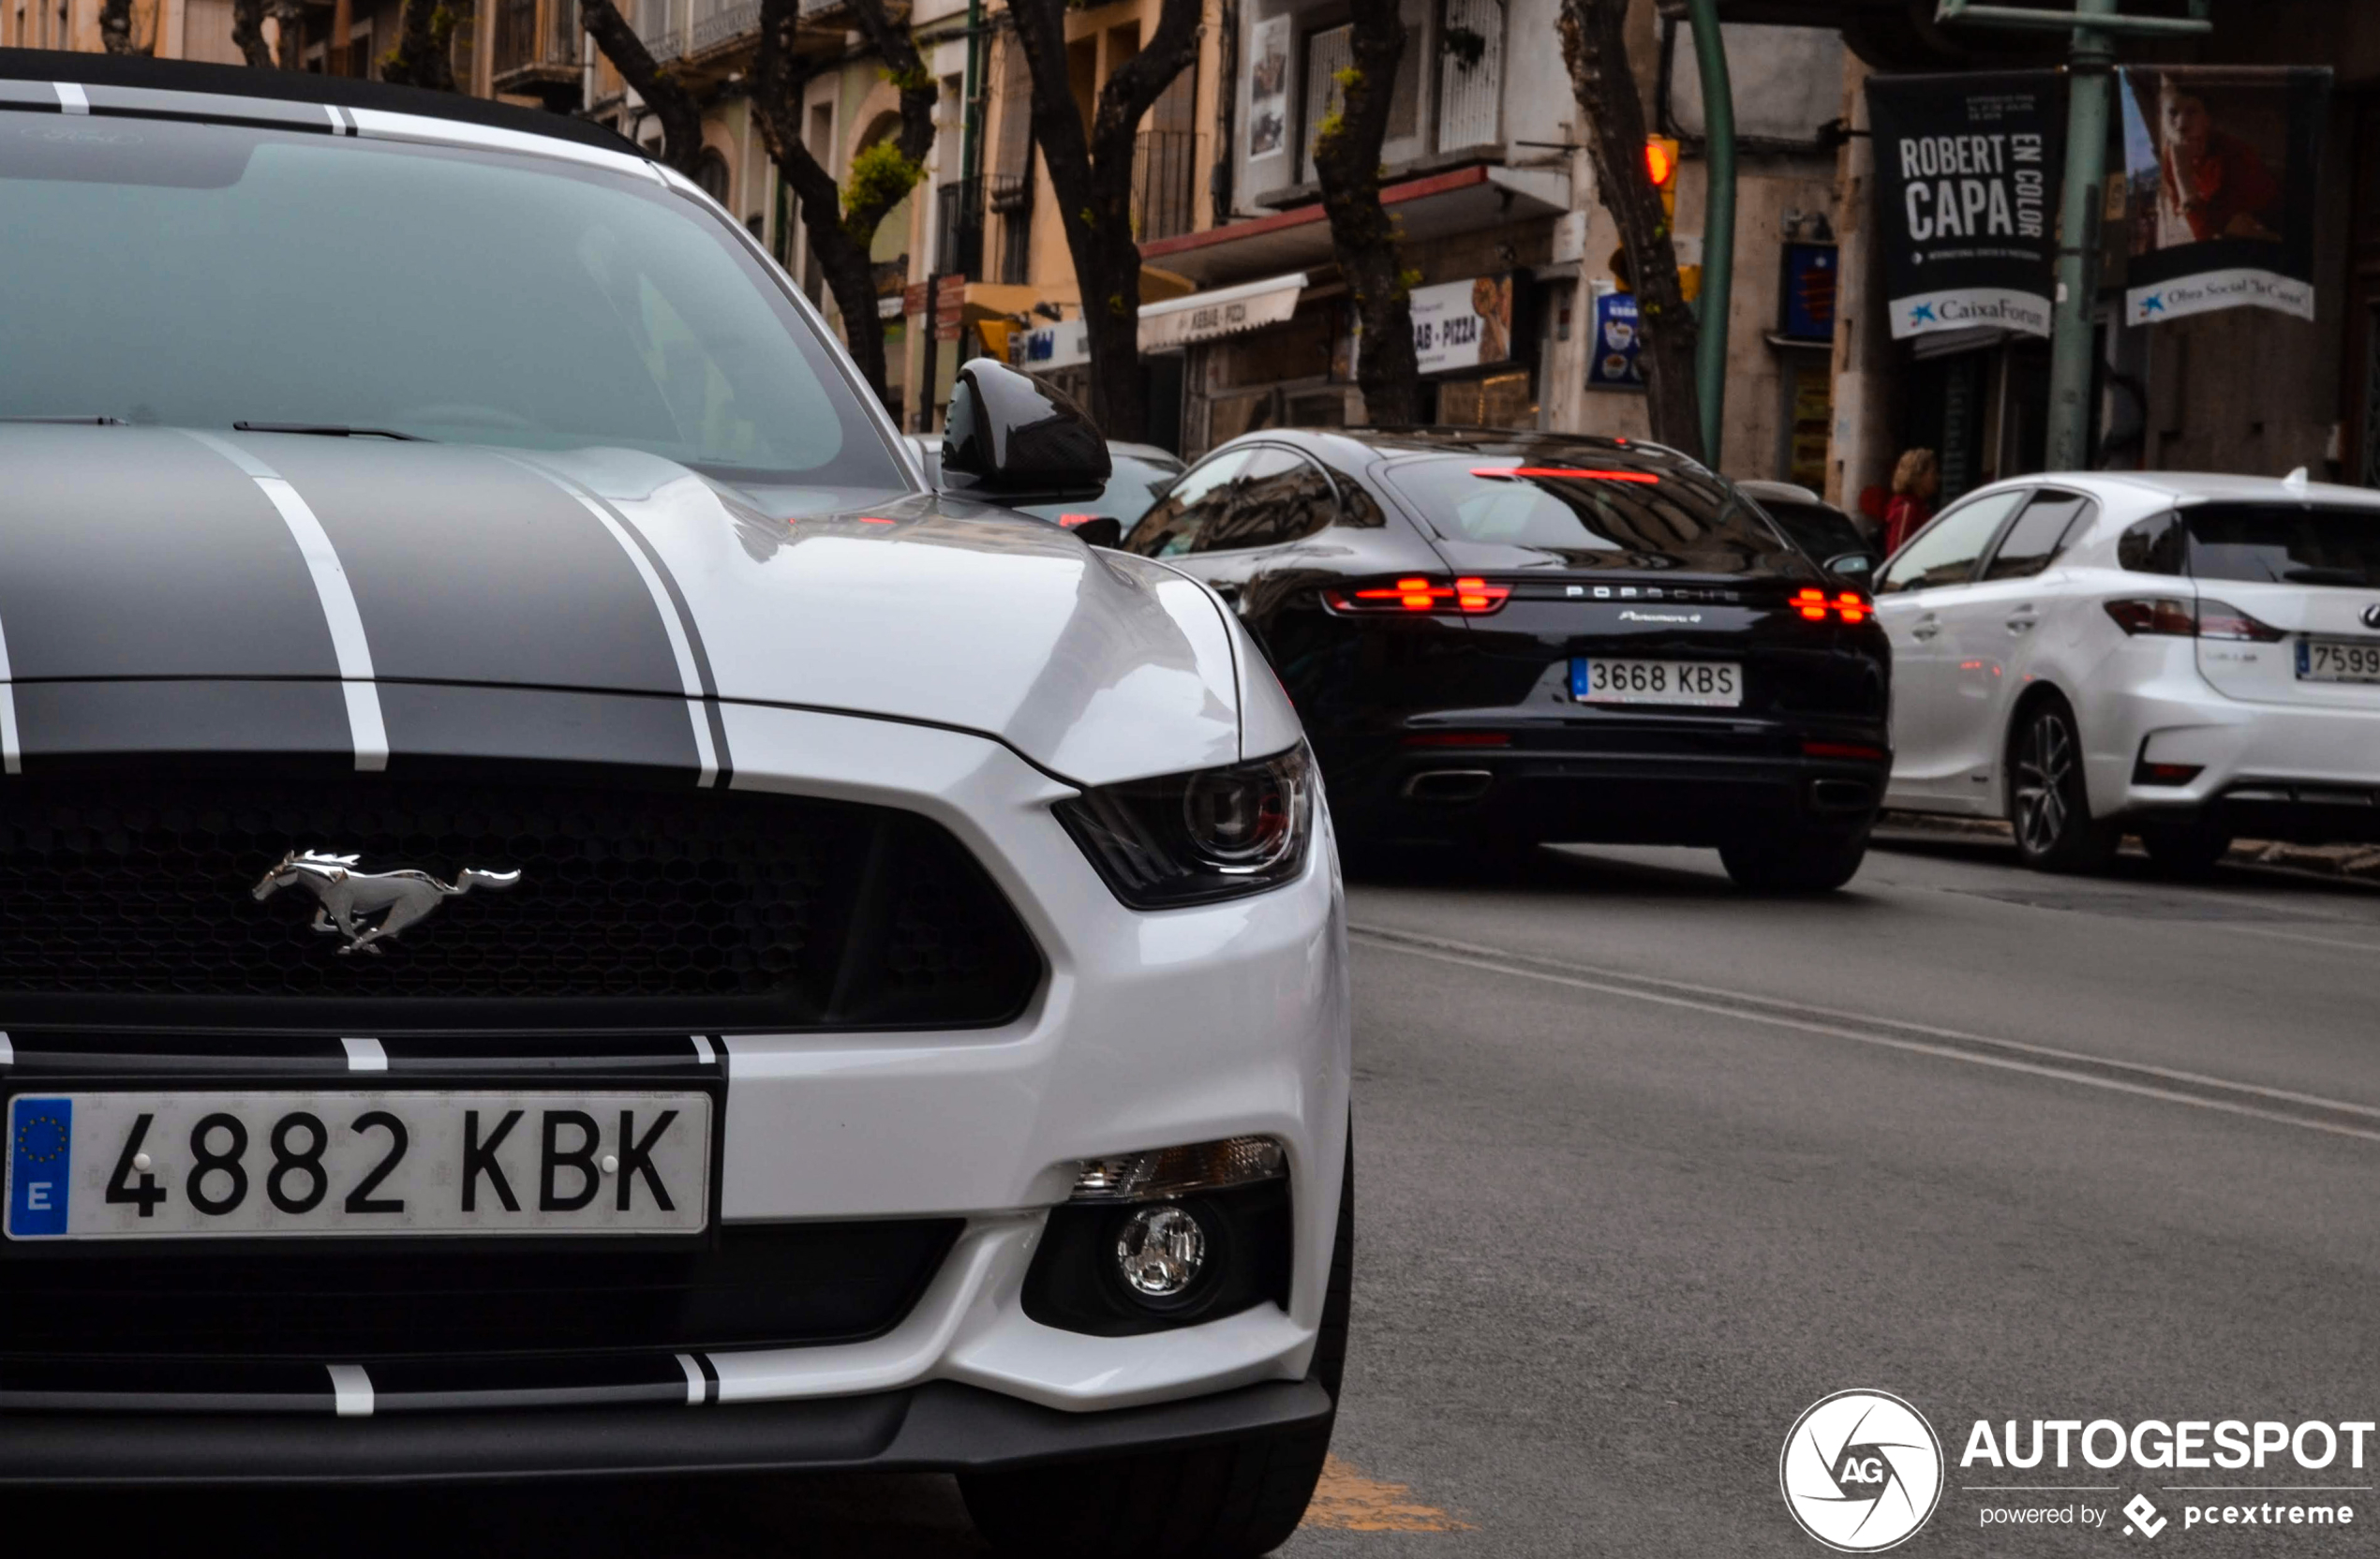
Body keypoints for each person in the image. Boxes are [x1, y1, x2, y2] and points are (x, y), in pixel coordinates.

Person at [2152, 78, 2282, 247]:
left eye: (2191, 112)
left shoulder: (2234, 154)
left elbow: (2204, 232)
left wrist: (2182, 174)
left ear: (2207, 119)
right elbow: (2182, 214)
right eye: (2172, 113)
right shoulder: (2171, 155)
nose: (2181, 125)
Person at [1882, 448, 1939, 556]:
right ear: (1918, 476)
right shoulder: (1907, 511)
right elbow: (1898, 554)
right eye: (1933, 472)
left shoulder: (1921, 507)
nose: (1937, 478)